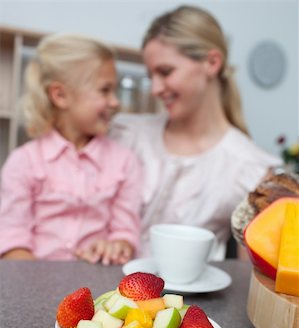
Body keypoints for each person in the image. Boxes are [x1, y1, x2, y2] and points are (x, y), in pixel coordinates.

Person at [108, 5, 282, 260]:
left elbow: (253, 276)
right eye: (151, 75)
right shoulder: (126, 134)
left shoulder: (250, 169)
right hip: (105, 295)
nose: (155, 88)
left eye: (165, 72)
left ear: (212, 63)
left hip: (187, 300)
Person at [0, 33, 142, 265]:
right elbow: (12, 241)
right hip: (34, 282)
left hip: (96, 286)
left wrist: (116, 247)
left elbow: (126, 234)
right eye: (105, 90)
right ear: (61, 95)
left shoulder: (125, 162)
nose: (115, 102)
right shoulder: (23, 162)